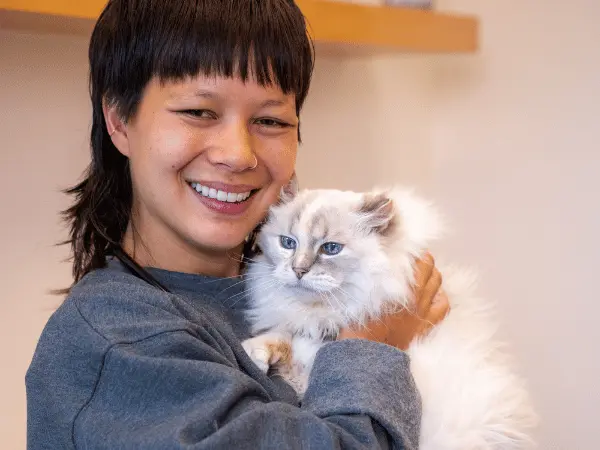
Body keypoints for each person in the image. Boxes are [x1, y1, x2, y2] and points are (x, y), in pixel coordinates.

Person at [25, 1, 449, 449]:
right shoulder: (119, 342)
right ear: (119, 121)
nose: (238, 154)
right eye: (199, 112)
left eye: (270, 120)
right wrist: (373, 344)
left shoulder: (273, 292)